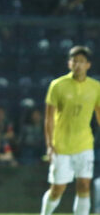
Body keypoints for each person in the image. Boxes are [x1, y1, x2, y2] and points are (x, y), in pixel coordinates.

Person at [40, 46, 100, 215]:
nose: (77, 65)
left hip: (84, 144)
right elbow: (49, 118)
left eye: (81, 61)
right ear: (69, 63)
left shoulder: (96, 87)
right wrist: (49, 145)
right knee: (57, 188)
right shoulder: (57, 85)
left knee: (84, 185)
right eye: (74, 61)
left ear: (88, 65)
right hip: (61, 145)